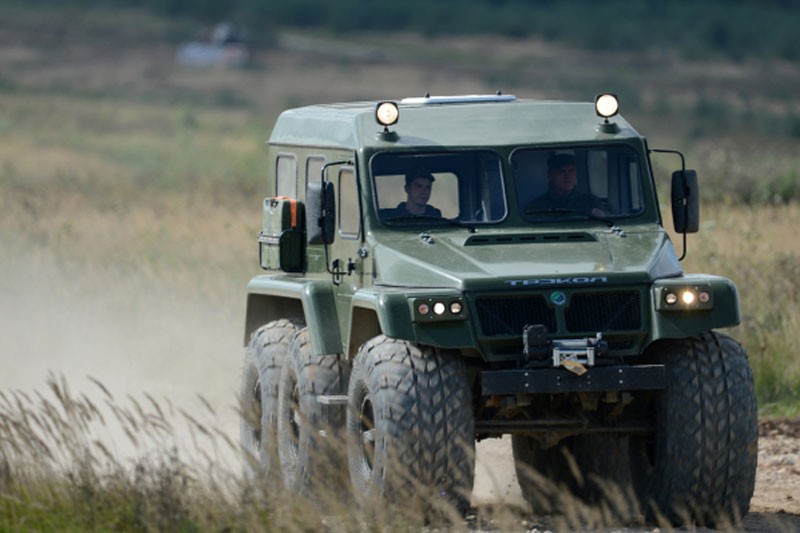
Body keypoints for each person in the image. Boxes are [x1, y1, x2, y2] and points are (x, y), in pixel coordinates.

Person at [525, 153, 604, 216]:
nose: (567, 176)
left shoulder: (591, 202)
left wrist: (600, 215)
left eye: (571, 171)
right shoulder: (536, 208)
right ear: (550, 175)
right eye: (561, 171)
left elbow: (607, 222)